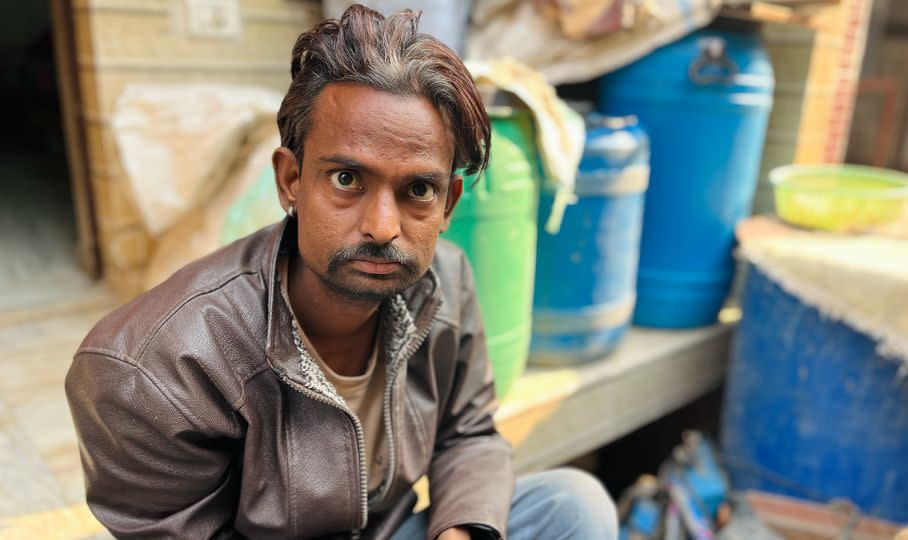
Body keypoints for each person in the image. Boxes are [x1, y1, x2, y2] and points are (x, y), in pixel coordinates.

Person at [65, 4, 618, 539]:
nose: (381, 226)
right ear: (291, 180)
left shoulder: (448, 283)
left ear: (448, 205)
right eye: (347, 180)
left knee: (574, 508)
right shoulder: (148, 372)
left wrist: (458, 534)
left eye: (418, 190)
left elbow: (468, 435)